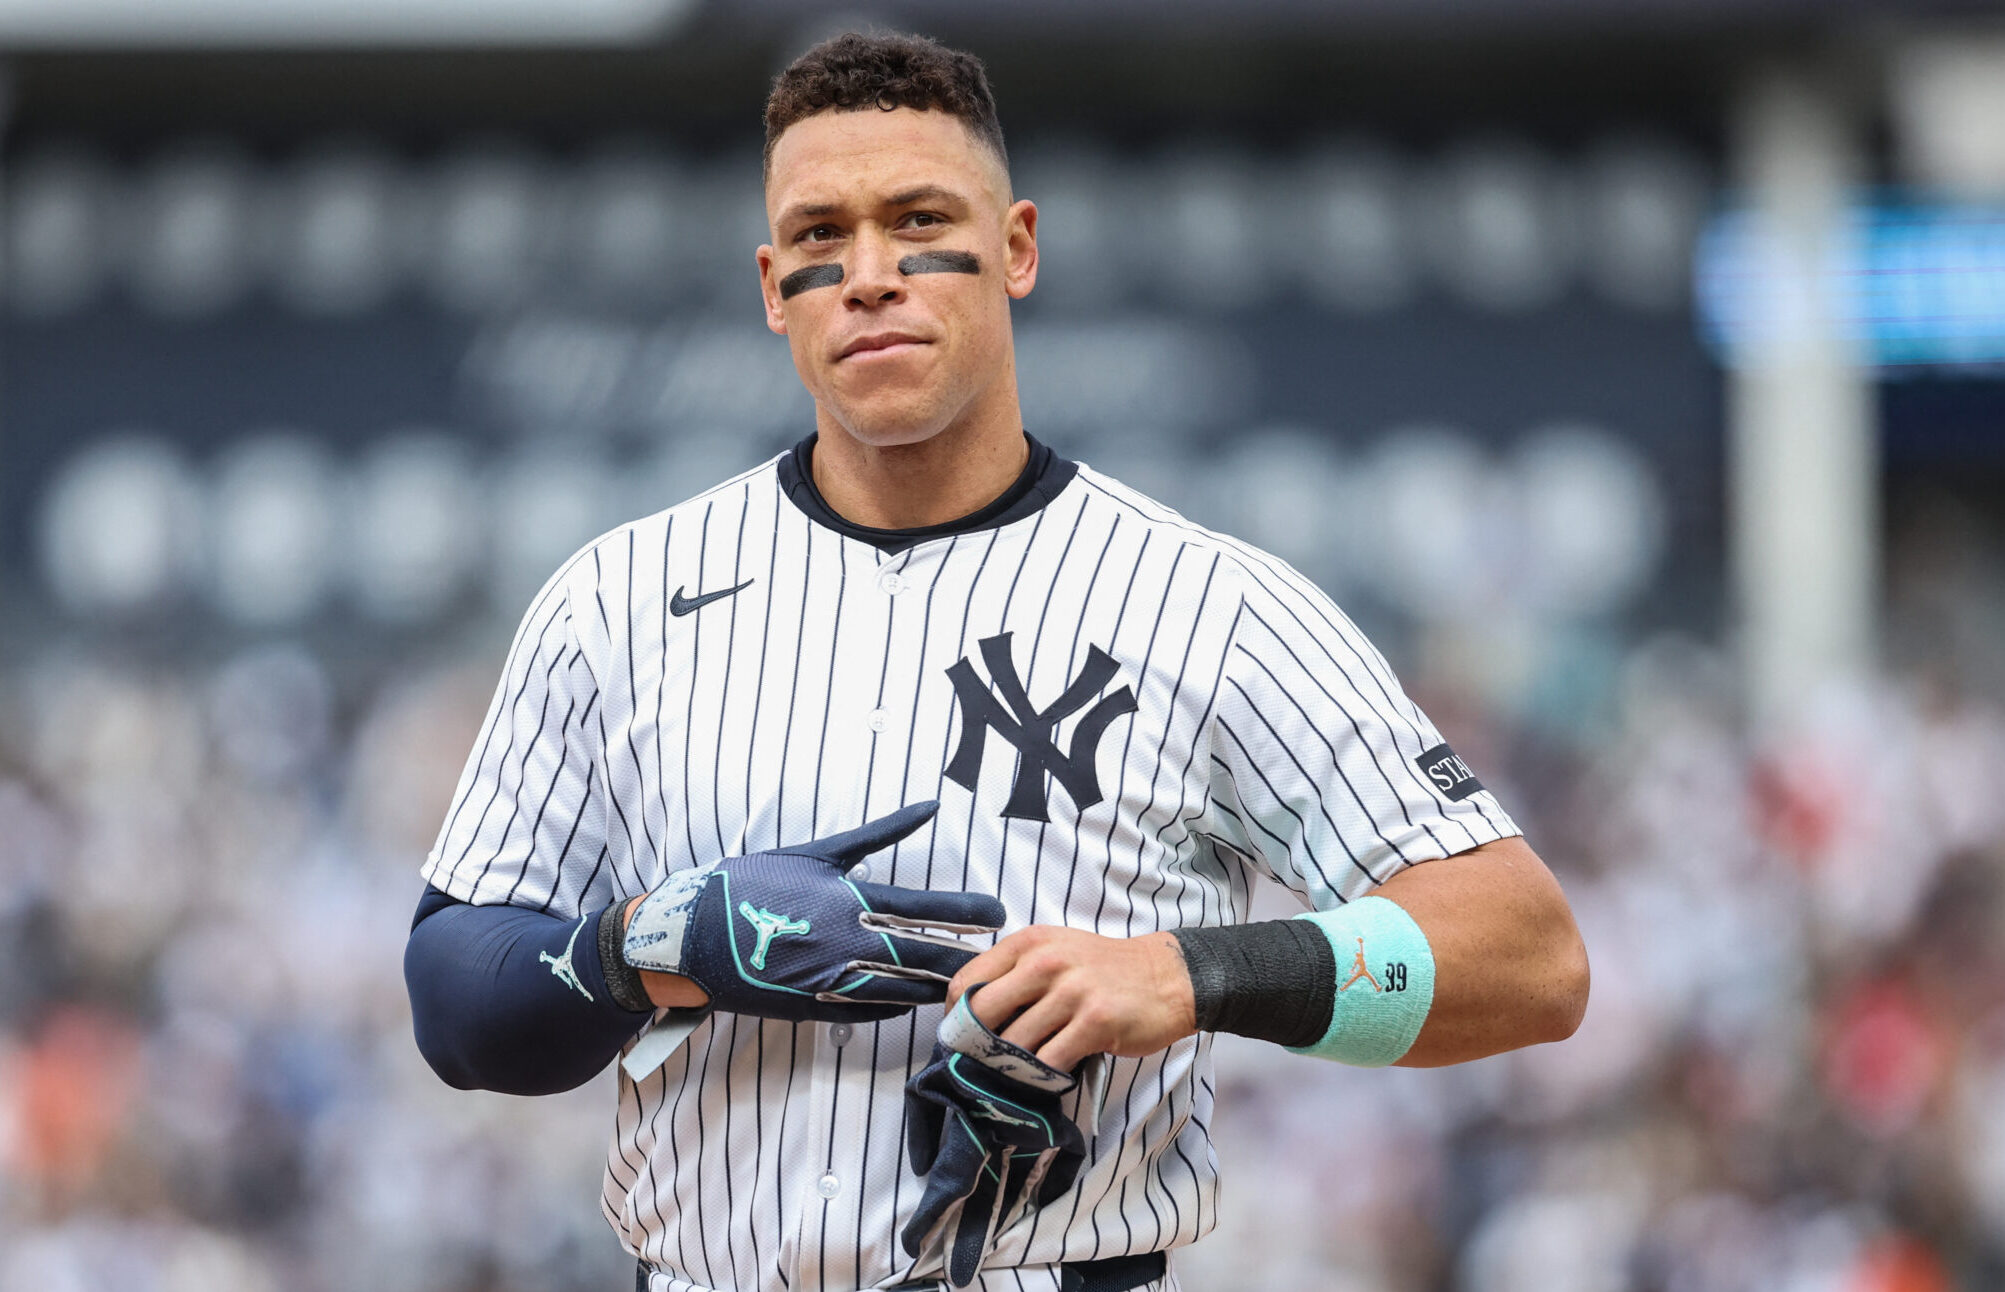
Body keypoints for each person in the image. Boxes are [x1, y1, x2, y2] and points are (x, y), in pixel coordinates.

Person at [403, 30, 1589, 1292]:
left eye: (919, 220)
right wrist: (650, 944)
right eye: (819, 236)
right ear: (772, 286)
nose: (869, 276)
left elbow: (1527, 956)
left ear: (1016, 247)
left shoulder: (1209, 603)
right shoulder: (618, 595)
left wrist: (1189, 974)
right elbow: (454, 998)